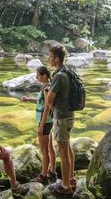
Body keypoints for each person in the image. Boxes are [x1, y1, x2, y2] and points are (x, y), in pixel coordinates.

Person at [45, 45, 77, 195]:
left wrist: (51, 109)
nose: (49, 59)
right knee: (67, 148)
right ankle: (71, 179)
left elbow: (49, 99)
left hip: (62, 117)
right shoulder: (69, 71)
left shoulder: (58, 76)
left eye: (50, 56)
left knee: (63, 152)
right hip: (70, 114)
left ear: (57, 58)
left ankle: (65, 187)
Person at [21, 66, 57, 184]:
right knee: (50, 148)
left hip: (44, 122)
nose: (36, 77)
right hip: (49, 121)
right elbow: (43, 102)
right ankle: (52, 171)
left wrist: (41, 126)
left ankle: (43, 176)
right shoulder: (49, 85)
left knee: (44, 151)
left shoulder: (46, 88)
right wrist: (29, 99)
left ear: (44, 75)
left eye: (38, 75)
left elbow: (47, 107)